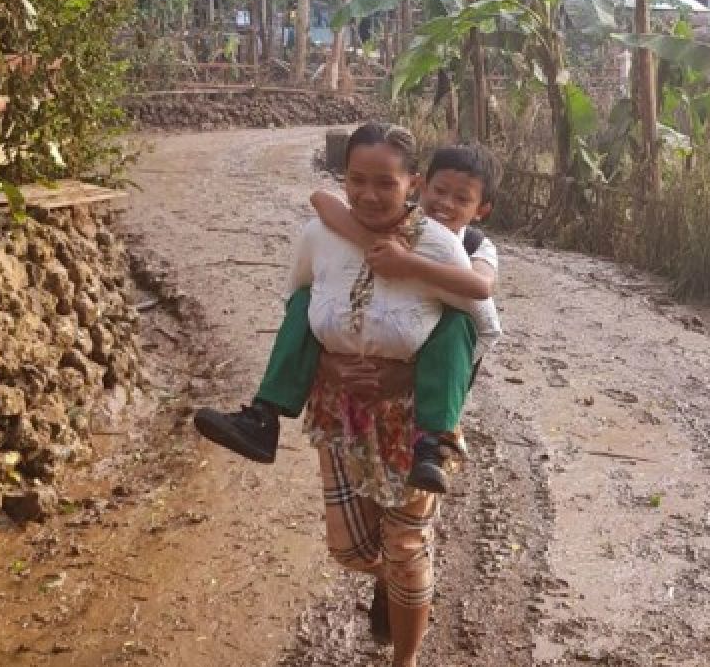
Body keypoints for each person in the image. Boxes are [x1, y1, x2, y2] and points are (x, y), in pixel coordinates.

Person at [245, 123, 492, 667]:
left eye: (386, 181)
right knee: (352, 549)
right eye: (358, 179)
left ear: (410, 185)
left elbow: (473, 332)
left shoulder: (442, 245)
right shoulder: (322, 235)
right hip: (342, 414)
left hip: (412, 425)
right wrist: (325, 362)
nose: (371, 192)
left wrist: (403, 382)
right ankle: (387, 580)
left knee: (407, 549)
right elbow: (300, 305)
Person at [195, 144, 501, 493]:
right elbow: (323, 199)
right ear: (421, 187)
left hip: (416, 394)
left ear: (482, 209)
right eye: (440, 191)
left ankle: (432, 442)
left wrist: (406, 266)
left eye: (461, 199)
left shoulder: (469, 247)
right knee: (304, 302)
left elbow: (482, 299)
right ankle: (264, 416)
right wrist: (325, 362)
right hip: (344, 392)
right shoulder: (376, 225)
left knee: (456, 325)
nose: (445, 203)